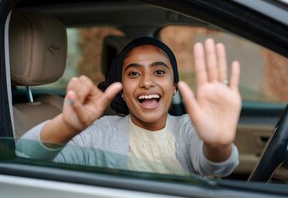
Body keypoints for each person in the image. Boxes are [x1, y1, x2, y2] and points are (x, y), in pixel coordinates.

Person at [16, 36, 241, 177]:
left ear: (174, 87)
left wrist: (218, 145)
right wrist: (66, 125)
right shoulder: (97, 133)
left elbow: (216, 167)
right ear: (122, 90)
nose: (146, 81)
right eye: (133, 73)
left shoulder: (187, 128)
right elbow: (22, 158)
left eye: (159, 72)